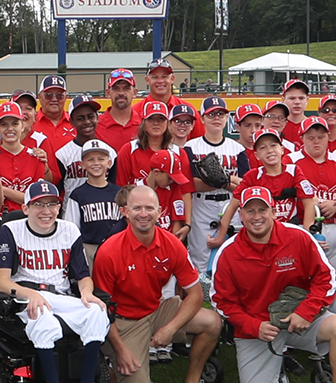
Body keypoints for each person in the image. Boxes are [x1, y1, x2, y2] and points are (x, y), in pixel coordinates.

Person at [211, 185, 336, 383]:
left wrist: (305, 313)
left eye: (262, 210)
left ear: (274, 212)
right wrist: (255, 326)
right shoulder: (228, 252)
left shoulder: (298, 236)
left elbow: (326, 278)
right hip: (259, 328)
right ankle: (277, 366)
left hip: (298, 321)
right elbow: (221, 301)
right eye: (250, 211)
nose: (257, 217)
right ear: (241, 216)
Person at [0, 181, 122, 383]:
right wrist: (31, 294)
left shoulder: (69, 230)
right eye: (38, 204)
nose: (46, 210)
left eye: (52, 204)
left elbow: (83, 276)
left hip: (61, 294)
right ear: (26, 208)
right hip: (27, 295)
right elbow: (1, 281)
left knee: (96, 311)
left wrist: (87, 293)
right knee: (42, 317)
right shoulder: (11, 230)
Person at [95, 183, 226, 383]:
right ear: (125, 211)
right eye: (137, 208)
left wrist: (170, 328)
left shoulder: (171, 244)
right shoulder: (109, 251)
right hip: (122, 322)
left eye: (149, 208)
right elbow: (101, 310)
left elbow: (195, 294)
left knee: (212, 322)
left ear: (159, 212)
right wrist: (121, 350)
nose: (144, 214)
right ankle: (106, 364)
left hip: (156, 310)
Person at [181, 96, 244, 280]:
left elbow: (245, 184)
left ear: (227, 118)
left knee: (233, 259)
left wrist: (219, 179)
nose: (216, 118)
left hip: (231, 206)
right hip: (201, 206)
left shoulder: (237, 148)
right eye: (211, 114)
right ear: (202, 118)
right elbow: (191, 183)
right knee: (200, 260)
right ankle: (203, 304)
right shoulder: (190, 147)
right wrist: (227, 182)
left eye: (221, 114)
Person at [297, 118, 336, 319]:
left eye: (321, 137)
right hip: (305, 230)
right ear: (301, 138)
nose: (316, 142)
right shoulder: (291, 161)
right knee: (303, 283)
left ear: (329, 137)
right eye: (310, 137)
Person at [118, 103, 190, 238]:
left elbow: (185, 192)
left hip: (168, 220)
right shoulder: (129, 150)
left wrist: (187, 224)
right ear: (143, 122)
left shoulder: (178, 152)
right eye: (151, 119)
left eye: (161, 119)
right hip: (138, 222)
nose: (156, 123)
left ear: (168, 123)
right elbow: (121, 189)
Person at [70, 140, 125, 266]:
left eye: (101, 159)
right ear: (82, 164)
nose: (96, 163)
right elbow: (72, 227)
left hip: (116, 246)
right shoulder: (77, 194)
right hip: (89, 248)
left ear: (109, 163)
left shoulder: (119, 192)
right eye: (90, 160)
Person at [52, 94, 104, 195]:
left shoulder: (109, 151)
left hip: (102, 209)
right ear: (72, 122)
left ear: (97, 118)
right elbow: (57, 190)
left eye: (91, 117)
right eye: (80, 118)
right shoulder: (62, 154)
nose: (87, 122)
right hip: (71, 209)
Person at [94, 70, 139, 156]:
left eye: (126, 88)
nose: (121, 93)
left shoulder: (144, 124)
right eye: (115, 88)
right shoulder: (96, 125)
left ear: (135, 92)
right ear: (108, 93)